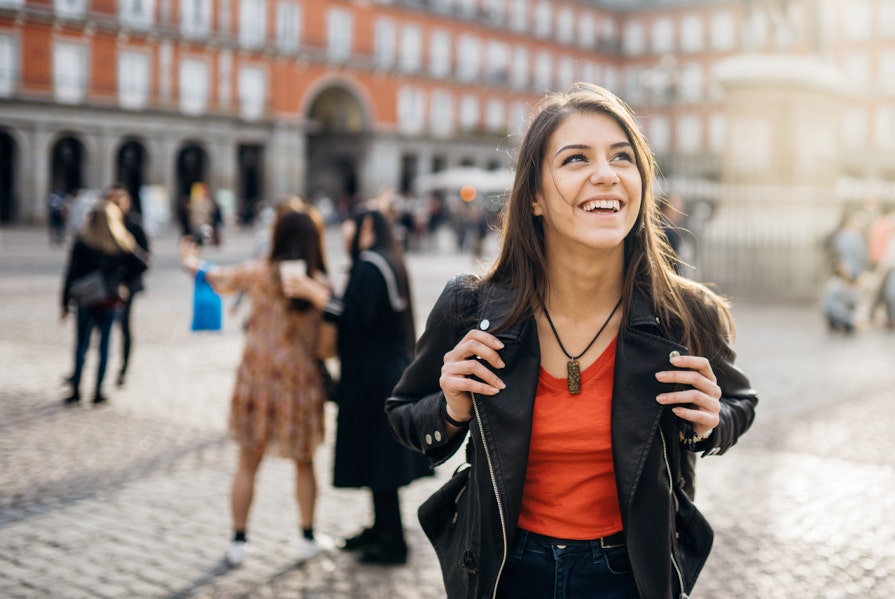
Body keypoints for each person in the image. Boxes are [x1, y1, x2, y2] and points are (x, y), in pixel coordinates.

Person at [384, 83, 758, 598]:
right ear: (534, 196)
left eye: (622, 157)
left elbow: (739, 400)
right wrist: (449, 409)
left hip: (631, 574)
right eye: (576, 158)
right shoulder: (470, 308)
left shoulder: (684, 313)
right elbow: (404, 410)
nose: (605, 173)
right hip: (502, 572)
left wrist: (713, 421)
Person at [179, 210, 333, 567]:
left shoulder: (259, 271)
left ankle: (238, 541)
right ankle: (308, 536)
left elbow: (214, 277)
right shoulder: (319, 284)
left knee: (248, 461)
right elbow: (328, 345)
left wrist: (189, 258)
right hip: (300, 383)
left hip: (257, 379)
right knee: (305, 461)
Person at [283, 209, 434, 565]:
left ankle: (392, 541)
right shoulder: (385, 260)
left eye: (349, 223)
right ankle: (380, 528)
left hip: (374, 379)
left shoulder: (370, 264)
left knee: (379, 460)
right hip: (382, 374)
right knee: (376, 458)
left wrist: (315, 295)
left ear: (365, 226)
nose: (343, 231)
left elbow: (353, 318)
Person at [60, 202, 149, 404]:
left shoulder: (82, 241)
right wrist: (122, 279)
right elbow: (143, 263)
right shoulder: (120, 241)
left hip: (86, 298)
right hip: (110, 298)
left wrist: (64, 303)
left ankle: (76, 388)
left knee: (81, 344)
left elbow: (70, 274)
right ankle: (98, 391)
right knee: (105, 345)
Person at [105, 185, 151, 387]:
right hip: (104, 284)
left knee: (124, 326)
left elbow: (145, 259)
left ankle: (123, 368)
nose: (114, 204)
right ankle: (99, 370)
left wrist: (126, 277)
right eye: (111, 200)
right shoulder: (101, 224)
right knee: (102, 327)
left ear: (127, 203)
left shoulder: (134, 225)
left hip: (127, 285)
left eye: (118, 201)